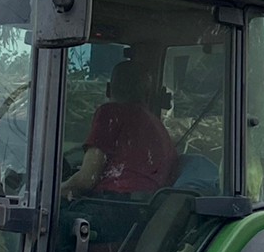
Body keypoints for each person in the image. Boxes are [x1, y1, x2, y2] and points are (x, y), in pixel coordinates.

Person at [61, 54, 177, 199]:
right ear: (148, 94)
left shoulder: (110, 113)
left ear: (109, 89)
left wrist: (55, 190)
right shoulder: (158, 126)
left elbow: (87, 179)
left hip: (115, 203)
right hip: (147, 206)